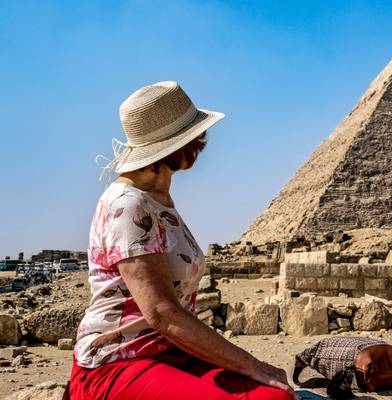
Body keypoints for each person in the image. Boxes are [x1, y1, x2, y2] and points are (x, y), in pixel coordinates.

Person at [69, 81, 296, 400]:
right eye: (195, 136)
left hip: (171, 351)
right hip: (119, 361)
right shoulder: (128, 205)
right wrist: (250, 364)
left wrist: (250, 367)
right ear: (168, 147)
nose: (203, 142)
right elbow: (161, 312)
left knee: (274, 396)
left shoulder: (158, 198)